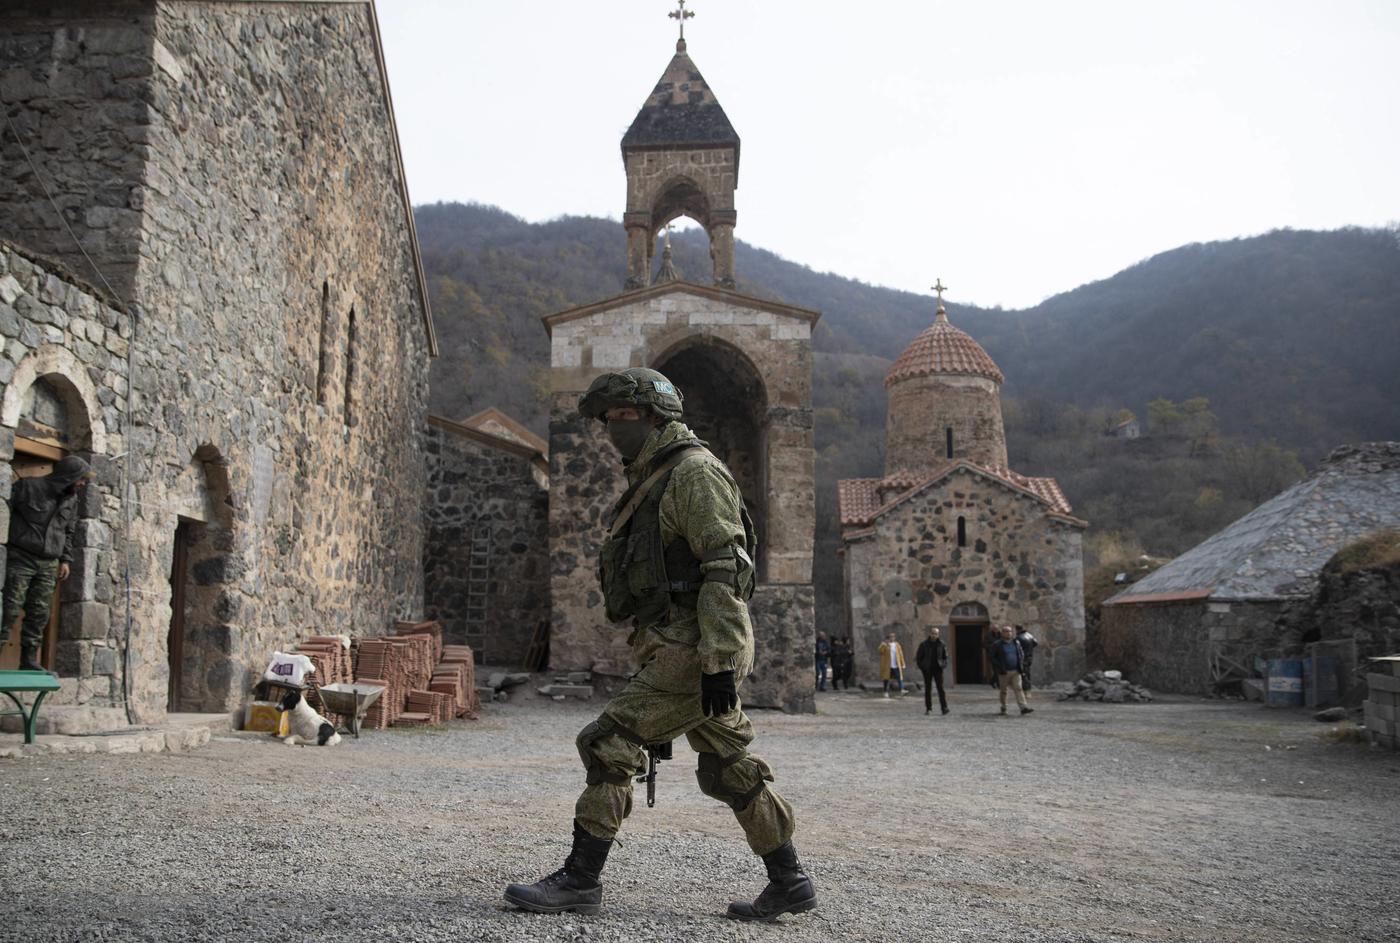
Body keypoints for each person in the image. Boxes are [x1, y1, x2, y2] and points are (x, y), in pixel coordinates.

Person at [504, 368, 815, 922]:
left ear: (653, 416)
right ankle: (789, 881)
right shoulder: (657, 475)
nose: (610, 429)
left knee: (608, 741)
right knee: (728, 765)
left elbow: (725, 564)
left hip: (696, 647)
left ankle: (580, 880)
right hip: (681, 642)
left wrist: (718, 659)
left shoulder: (693, 473)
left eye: (620, 416)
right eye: (606, 419)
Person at [2, 456, 90, 674]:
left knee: (40, 612)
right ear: (68, 476)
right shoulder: (27, 487)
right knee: (9, 609)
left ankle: (29, 660)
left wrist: (65, 559)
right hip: (21, 558)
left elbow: (68, 532)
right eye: (80, 479)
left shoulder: (71, 500)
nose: (82, 484)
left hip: (49, 563)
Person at [988, 624, 1033, 716]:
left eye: (1010, 631)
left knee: (1019, 688)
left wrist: (1021, 665)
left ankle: (1023, 707)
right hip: (1004, 671)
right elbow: (992, 657)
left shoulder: (1016, 643)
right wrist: (999, 666)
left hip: (1015, 671)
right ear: (1002, 633)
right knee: (1004, 691)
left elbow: (1020, 654)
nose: (1009, 633)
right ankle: (1004, 707)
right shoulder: (997, 644)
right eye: (1006, 631)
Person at [914, 626, 949, 716]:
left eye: (936, 634)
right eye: (933, 633)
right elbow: (918, 658)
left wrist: (943, 665)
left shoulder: (941, 644)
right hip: (927, 669)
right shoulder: (924, 644)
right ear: (930, 634)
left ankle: (944, 708)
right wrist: (922, 667)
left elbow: (945, 657)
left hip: (938, 669)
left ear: (938, 634)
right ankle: (928, 708)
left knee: (940, 689)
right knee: (928, 689)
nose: (934, 635)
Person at [878, 631, 906, 698]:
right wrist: (883, 645)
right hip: (887, 666)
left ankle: (902, 690)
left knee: (899, 678)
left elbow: (900, 654)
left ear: (894, 638)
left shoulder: (897, 645)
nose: (892, 638)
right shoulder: (884, 645)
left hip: (896, 665)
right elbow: (880, 651)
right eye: (890, 637)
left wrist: (903, 663)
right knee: (886, 679)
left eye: (893, 636)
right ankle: (885, 692)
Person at [1015, 625, 1038, 693]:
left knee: (1023, 673)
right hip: (1029, 656)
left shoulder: (1018, 637)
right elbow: (1035, 643)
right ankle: (1027, 688)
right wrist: (1029, 649)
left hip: (1022, 657)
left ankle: (1026, 689)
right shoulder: (1029, 635)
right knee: (1027, 673)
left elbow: (1016, 647)